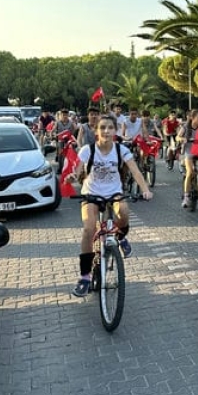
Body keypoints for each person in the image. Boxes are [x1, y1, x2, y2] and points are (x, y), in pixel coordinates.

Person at [64, 114, 153, 297]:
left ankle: (120, 237)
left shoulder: (121, 150)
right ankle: (85, 277)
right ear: (96, 131)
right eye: (102, 127)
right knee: (89, 229)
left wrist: (145, 189)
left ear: (116, 130)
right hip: (91, 193)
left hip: (114, 193)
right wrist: (72, 177)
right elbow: (77, 170)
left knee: (124, 213)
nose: (106, 131)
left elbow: (135, 171)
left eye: (110, 127)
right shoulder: (88, 150)